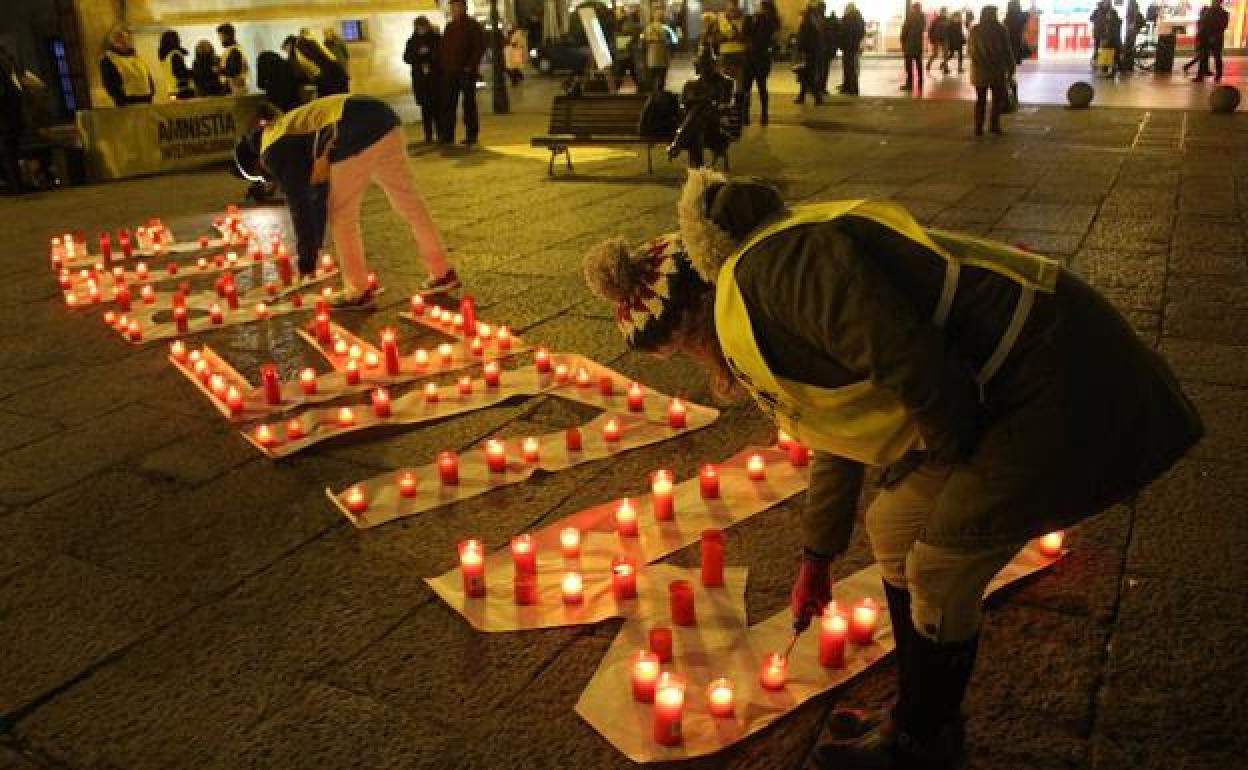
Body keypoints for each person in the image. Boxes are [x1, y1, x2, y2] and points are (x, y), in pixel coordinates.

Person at [583, 169, 1202, 770]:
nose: (693, 357)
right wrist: (816, 560)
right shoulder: (753, 299)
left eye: (681, 342)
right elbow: (832, 423)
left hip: (1050, 369)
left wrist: (956, 476)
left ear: (695, 303)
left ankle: (924, 738)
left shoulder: (774, 274)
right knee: (892, 524)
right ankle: (915, 702)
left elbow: (909, 359)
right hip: (986, 391)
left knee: (939, 562)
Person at [233, 94, 462, 307]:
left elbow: (299, 203)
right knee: (409, 202)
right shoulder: (283, 126)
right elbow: (316, 185)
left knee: (342, 215)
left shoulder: (270, 149)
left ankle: (357, 290)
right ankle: (442, 270)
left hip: (352, 131)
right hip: (384, 117)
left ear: (256, 164)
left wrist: (306, 260)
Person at [439, 0, 486, 146]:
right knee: (448, 103)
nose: (454, 9)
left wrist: (470, 66)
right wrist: (444, 65)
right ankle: (447, 135)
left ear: (464, 8)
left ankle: (471, 135)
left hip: (465, 71)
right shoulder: (450, 26)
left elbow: (479, 47)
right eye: (452, 7)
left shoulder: (472, 25)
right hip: (450, 71)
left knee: (469, 104)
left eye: (457, 6)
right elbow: (444, 47)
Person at [969, 5, 1014, 135]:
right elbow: (1007, 50)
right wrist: (1011, 67)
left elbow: (971, 50)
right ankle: (994, 125)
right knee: (997, 100)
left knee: (980, 100)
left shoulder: (975, 30)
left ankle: (978, 127)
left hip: (979, 71)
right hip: (997, 70)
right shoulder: (1000, 29)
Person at [404, 16, 444, 143]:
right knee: (425, 108)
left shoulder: (436, 39)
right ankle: (428, 134)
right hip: (420, 79)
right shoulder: (412, 41)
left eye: (423, 26)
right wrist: (418, 54)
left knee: (437, 108)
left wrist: (430, 54)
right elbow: (406, 57)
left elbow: (441, 54)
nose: (421, 29)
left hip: (435, 78)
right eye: (419, 27)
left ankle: (440, 133)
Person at [742, 0, 779, 125]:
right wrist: (749, 19)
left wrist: (754, 19)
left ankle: (762, 115)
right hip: (753, 58)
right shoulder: (755, 18)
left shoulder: (768, 20)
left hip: (759, 58)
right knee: (750, 87)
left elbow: (762, 37)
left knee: (758, 87)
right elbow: (745, 33)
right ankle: (748, 115)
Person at [99, 24, 154, 106]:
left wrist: (151, 92)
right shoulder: (109, 59)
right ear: (114, 42)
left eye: (126, 38)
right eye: (120, 39)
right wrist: (122, 99)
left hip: (145, 100)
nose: (125, 41)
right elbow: (109, 83)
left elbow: (147, 74)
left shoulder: (135, 57)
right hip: (128, 103)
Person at [289, 32, 349, 97]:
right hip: (334, 74)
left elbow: (311, 66)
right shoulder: (311, 43)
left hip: (331, 78)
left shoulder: (300, 48)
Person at [0, 47, 26, 193]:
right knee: (10, 154)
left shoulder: (6, 73)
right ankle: (16, 185)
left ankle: (16, 185)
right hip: (8, 119)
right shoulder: (5, 70)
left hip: (8, 119)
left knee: (10, 154)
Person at [794, 4, 826, 104]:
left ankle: (817, 97)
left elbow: (803, 39)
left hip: (807, 53)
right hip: (813, 53)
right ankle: (802, 96)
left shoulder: (807, 24)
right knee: (805, 75)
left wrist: (799, 50)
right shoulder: (815, 22)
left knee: (807, 76)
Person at [1191, 0, 1229, 82]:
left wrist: (1214, 37)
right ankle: (1200, 76)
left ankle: (1218, 75)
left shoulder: (1224, 13)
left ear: (1220, 2)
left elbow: (1222, 27)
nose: (1214, 2)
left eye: (1216, 1)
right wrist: (1200, 36)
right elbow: (1202, 24)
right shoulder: (1207, 11)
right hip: (1205, 38)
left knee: (1217, 57)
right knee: (1203, 57)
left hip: (1216, 39)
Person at [644, 8, 675, 92]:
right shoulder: (665, 28)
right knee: (659, 76)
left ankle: (655, 94)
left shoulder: (649, 27)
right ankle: (658, 93)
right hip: (660, 56)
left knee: (655, 77)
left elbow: (645, 40)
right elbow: (672, 40)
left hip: (655, 56)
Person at [158, 30, 194, 100]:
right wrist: (194, 72)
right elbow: (180, 73)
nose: (180, 40)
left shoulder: (164, 56)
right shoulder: (175, 54)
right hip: (182, 90)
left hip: (171, 90)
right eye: (178, 38)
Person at [839, 2, 865, 95]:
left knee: (849, 68)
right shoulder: (858, 18)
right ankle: (850, 87)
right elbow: (861, 32)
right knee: (852, 67)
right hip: (853, 47)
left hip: (848, 47)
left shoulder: (847, 19)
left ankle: (851, 88)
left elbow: (842, 32)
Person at [216, 23, 249, 94]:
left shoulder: (234, 50)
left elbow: (234, 71)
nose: (220, 39)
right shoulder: (232, 49)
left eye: (220, 36)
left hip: (235, 88)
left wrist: (218, 70)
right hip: (234, 87)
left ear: (226, 36)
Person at [900, 2, 926, 91]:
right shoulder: (922, 17)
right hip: (918, 44)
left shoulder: (910, 16)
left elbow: (905, 29)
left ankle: (910, 83)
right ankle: (920, 80)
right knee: (919, 63)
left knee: (909, 64)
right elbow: (922, 29)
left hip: (909, 43)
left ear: (913, 8)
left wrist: (902, 40)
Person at [612, 11, 640, 90]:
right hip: (625, 53)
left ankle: (616, 88)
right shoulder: (628, 25)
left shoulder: (624, 25)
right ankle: (640, 87)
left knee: (621, 72)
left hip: (622, 53)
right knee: (630, 71)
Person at [818, 3, 840, 97]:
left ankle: (818, 88)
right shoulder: (826, 21)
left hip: (821, 50)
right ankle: (821, 88)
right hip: (824, 50)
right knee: (823, 70)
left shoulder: (821, 20)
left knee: (820, 70)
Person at [927, 8, 949, 74]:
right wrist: (931, 39)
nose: (944, 13)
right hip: (937, 39)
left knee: (945, 54)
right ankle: (928, 64)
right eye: (943, 12)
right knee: (935, 54)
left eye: (945, 12)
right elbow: (930, 30)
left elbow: (950, 30)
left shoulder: (948, 20)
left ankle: (945, 68)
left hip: (945, 39)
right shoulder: (936, 20)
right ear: (941, 12)